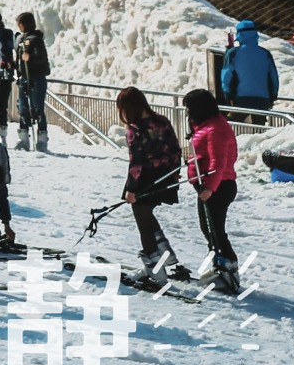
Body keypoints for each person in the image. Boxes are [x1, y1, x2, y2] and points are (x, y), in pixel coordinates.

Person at [115, 85, 188, 284]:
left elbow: (136, 161)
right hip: (166, 176)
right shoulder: (162, 121)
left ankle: (155, 273)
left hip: (144, 179)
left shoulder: (135, 129)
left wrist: (131, 189)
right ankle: (165, 253)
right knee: (147, 217)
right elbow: (176, 150)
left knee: (143, 224)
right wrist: (174, 175)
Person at [182, 87, 242, 294]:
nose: (188, 113)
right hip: (207, 185)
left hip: (219, 186)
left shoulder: (216, 128)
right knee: (208, 228)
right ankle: (219, 265)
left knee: (215, 229)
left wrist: (210, 187)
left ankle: (229, 269)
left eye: (190, 109)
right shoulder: (205, 126)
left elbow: (219, 161)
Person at [214, 23, 281, 112]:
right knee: (259, 125)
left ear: (239, 34)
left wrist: (227, 94)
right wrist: (273, 96)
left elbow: (226, 75)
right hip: (263, 98)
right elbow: (273, 76)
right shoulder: (265, 53)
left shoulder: (233, 53)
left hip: (240, 97)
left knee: (236, 122)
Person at [15, 10, 53, 152]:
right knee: (23, 108)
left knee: (37, 108)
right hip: (23, 77)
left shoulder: (36, 39)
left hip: (36, 77)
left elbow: (41, 58)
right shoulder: (20, 39)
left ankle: (42, 140)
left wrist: (30, 57)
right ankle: (23, 138)